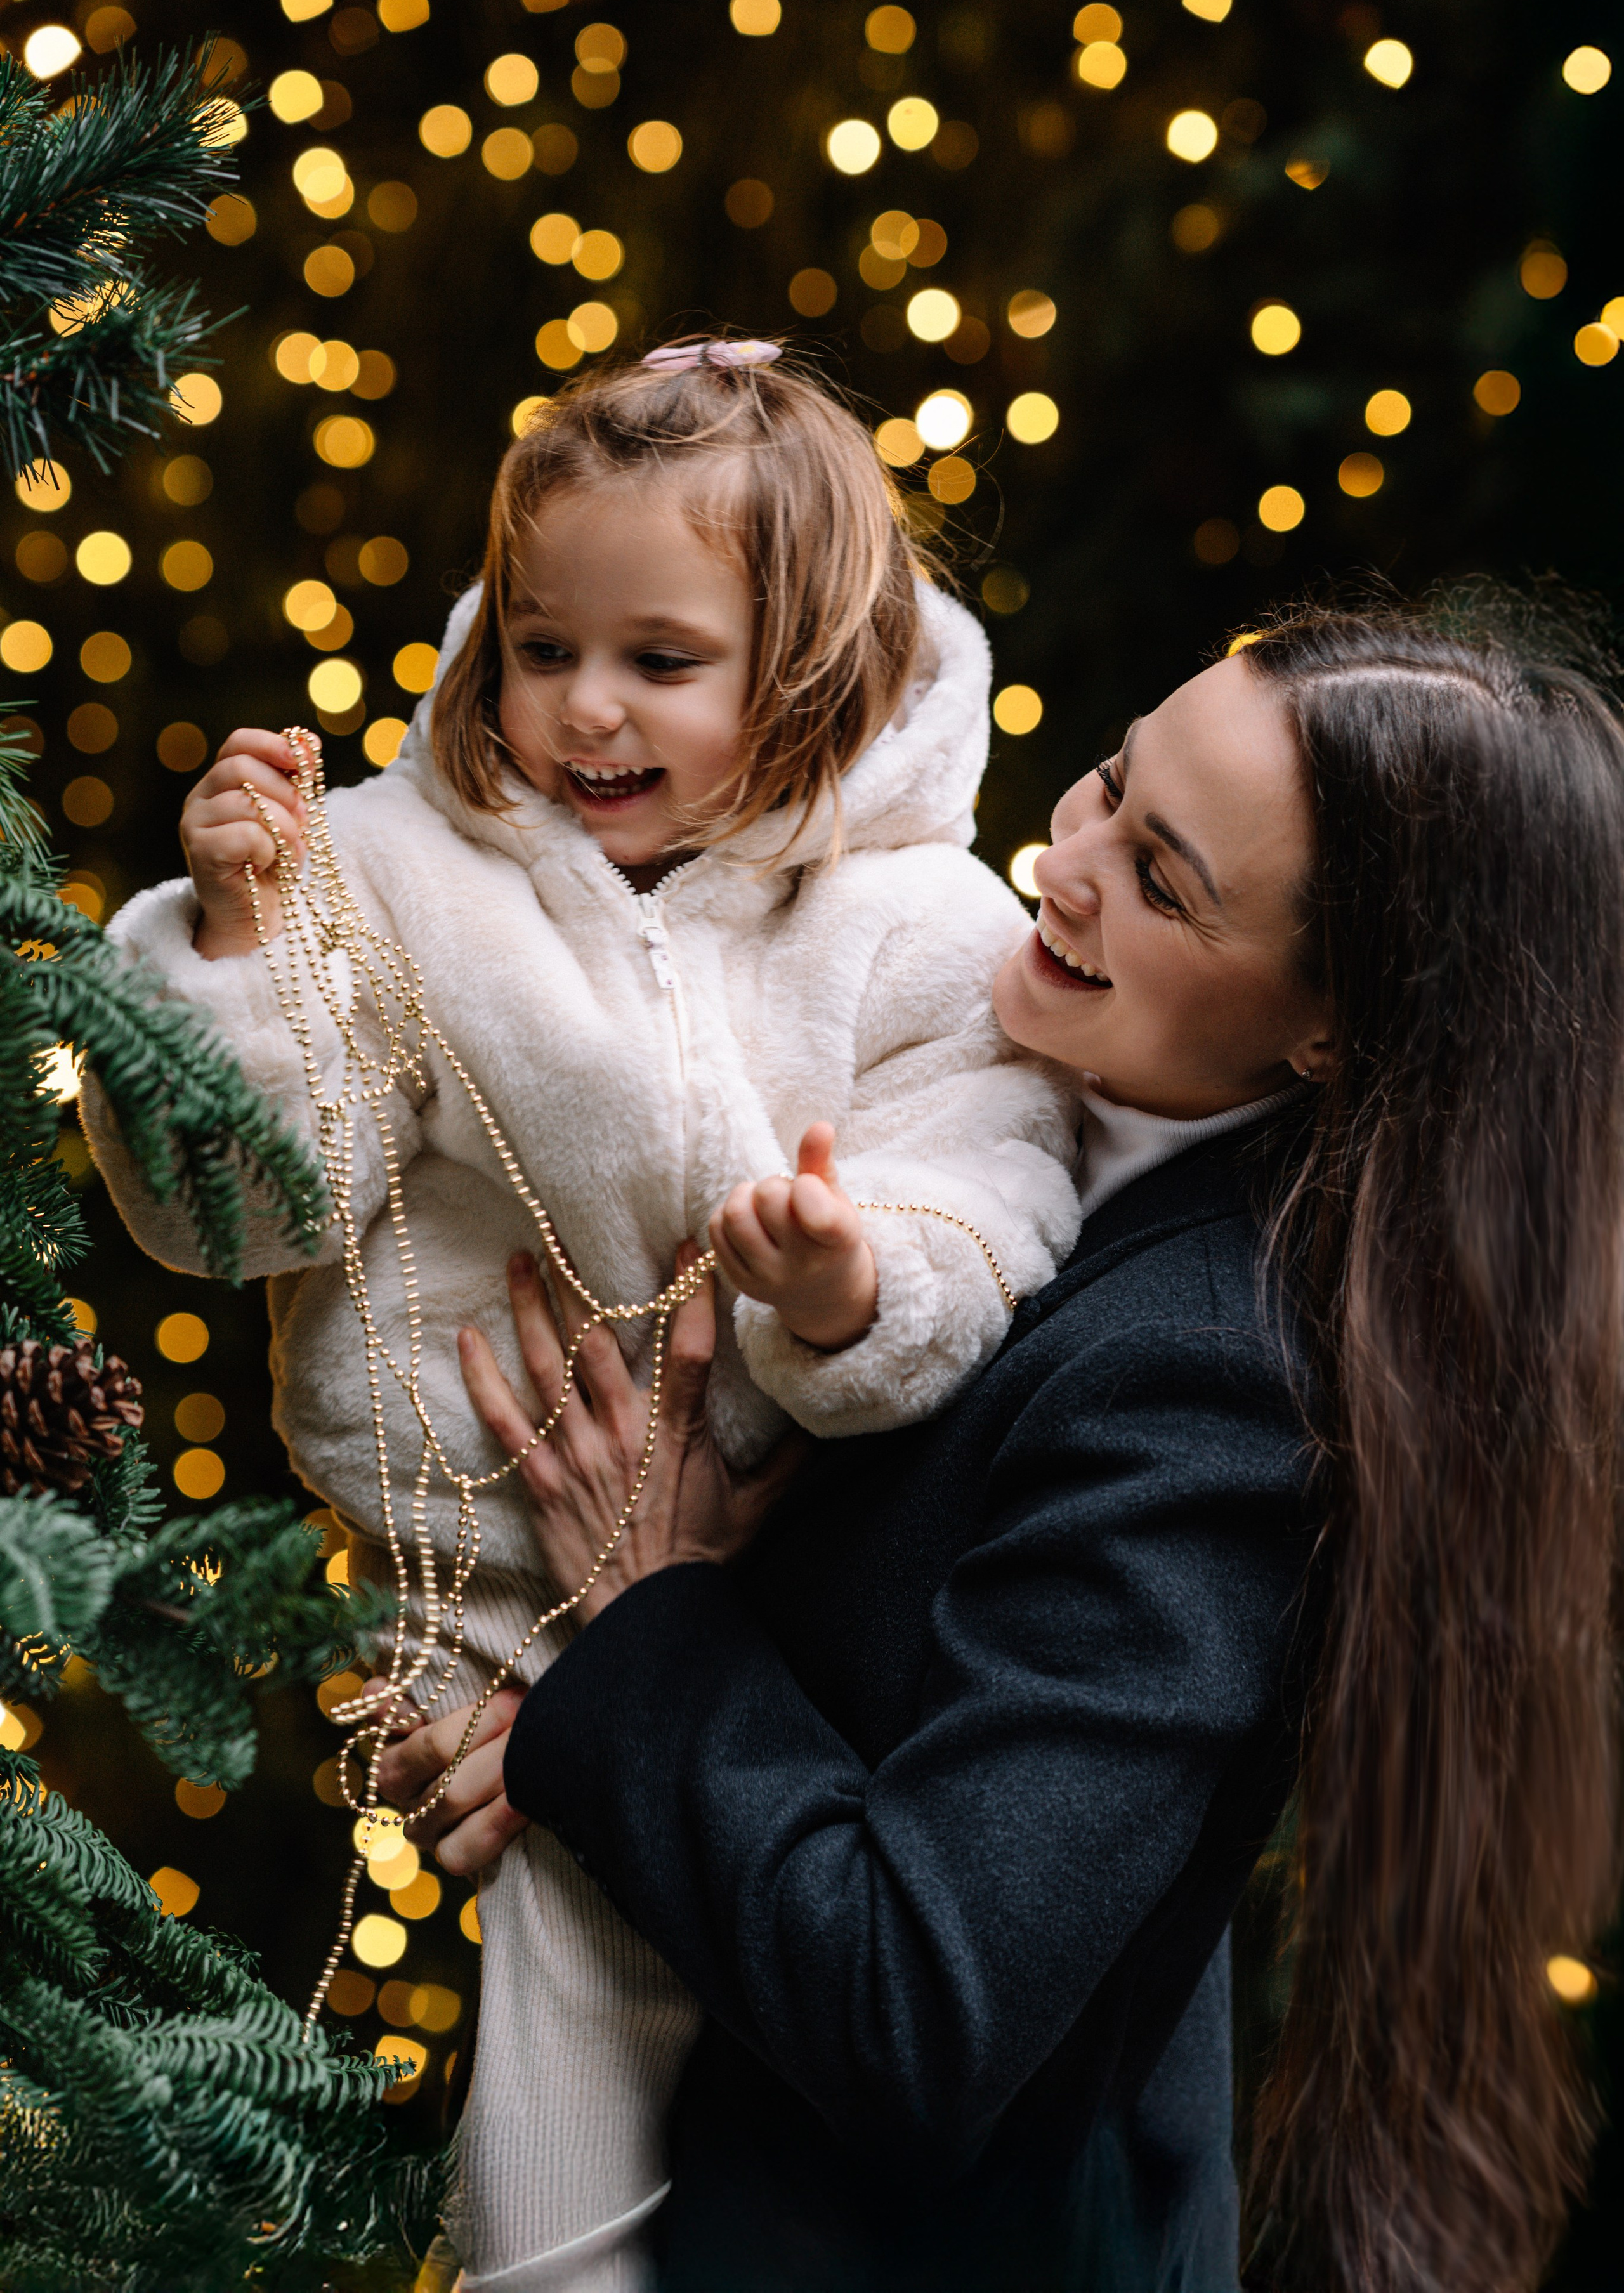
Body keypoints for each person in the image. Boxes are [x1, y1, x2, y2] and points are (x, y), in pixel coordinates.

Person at [384, 591, 1624, 2293]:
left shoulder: (1218, 1384)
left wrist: (656, 1617)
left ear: (1334, 1030)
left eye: (1167, 878)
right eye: (1114, 781)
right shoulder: (1007, 1111)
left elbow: (916, 1999)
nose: (1075, 853)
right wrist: (554, 1732)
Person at [81, 342, 1082, 2293]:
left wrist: (851, 1278)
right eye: (540, 648)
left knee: (804, 2044)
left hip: (803, 1575)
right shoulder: (393, 872)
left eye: (661, 661)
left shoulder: (927, 921)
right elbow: (241, 1203)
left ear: (808, 672)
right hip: (473, 1557)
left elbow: (994, 1171)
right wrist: (223, 943)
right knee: (574, 1970)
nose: (584, 710)